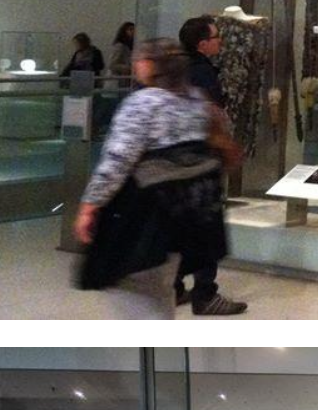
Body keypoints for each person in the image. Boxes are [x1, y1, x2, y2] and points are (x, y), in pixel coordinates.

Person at [73, 36, 247, 317]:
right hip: (185, 215)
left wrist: (90, 205)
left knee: (135, 292)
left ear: (148, 65)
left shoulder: (143, 103)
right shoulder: (197, 100)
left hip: (144, 216)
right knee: (160, 286)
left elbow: (118, 160)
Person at [179, 14, 226, 107]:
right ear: (203, 44)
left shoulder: (174, 63)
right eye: (216, 36)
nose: (220, 40)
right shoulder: (203, 72)